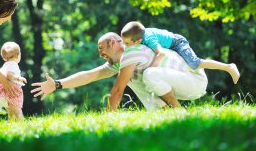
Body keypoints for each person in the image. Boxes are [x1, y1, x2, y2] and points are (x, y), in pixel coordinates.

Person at [31, 32, 208, 110]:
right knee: (134, 77)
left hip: (193, 80)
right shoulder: (121, 63)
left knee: (147, 75)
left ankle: (177, 111)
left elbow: (117, 91)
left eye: (102, 48)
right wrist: (58, 84)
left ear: (115, 43)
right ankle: (165, 113)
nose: (100, 54)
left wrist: (109, 119)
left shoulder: (132, 51)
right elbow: (92, 74)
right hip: (179, 84)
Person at [121, 21, 240, 84]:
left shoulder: (149, 39)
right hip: (171, 44)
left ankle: (228, 67)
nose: (125, 46)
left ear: (138, 41)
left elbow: (161, 53)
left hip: (177, 43)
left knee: (194, 63)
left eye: (126, 43)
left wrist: (150, 70)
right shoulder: (136, 38)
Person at [0, 42, 26, 121]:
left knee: (11, 114)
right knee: (17, 112)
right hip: (11, 92)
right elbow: (9, 74)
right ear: (18, 55)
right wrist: (18, 78)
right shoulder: (12, 64)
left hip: (4, 92)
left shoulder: (6, 64)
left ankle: (11, 127)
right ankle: (23, 125)